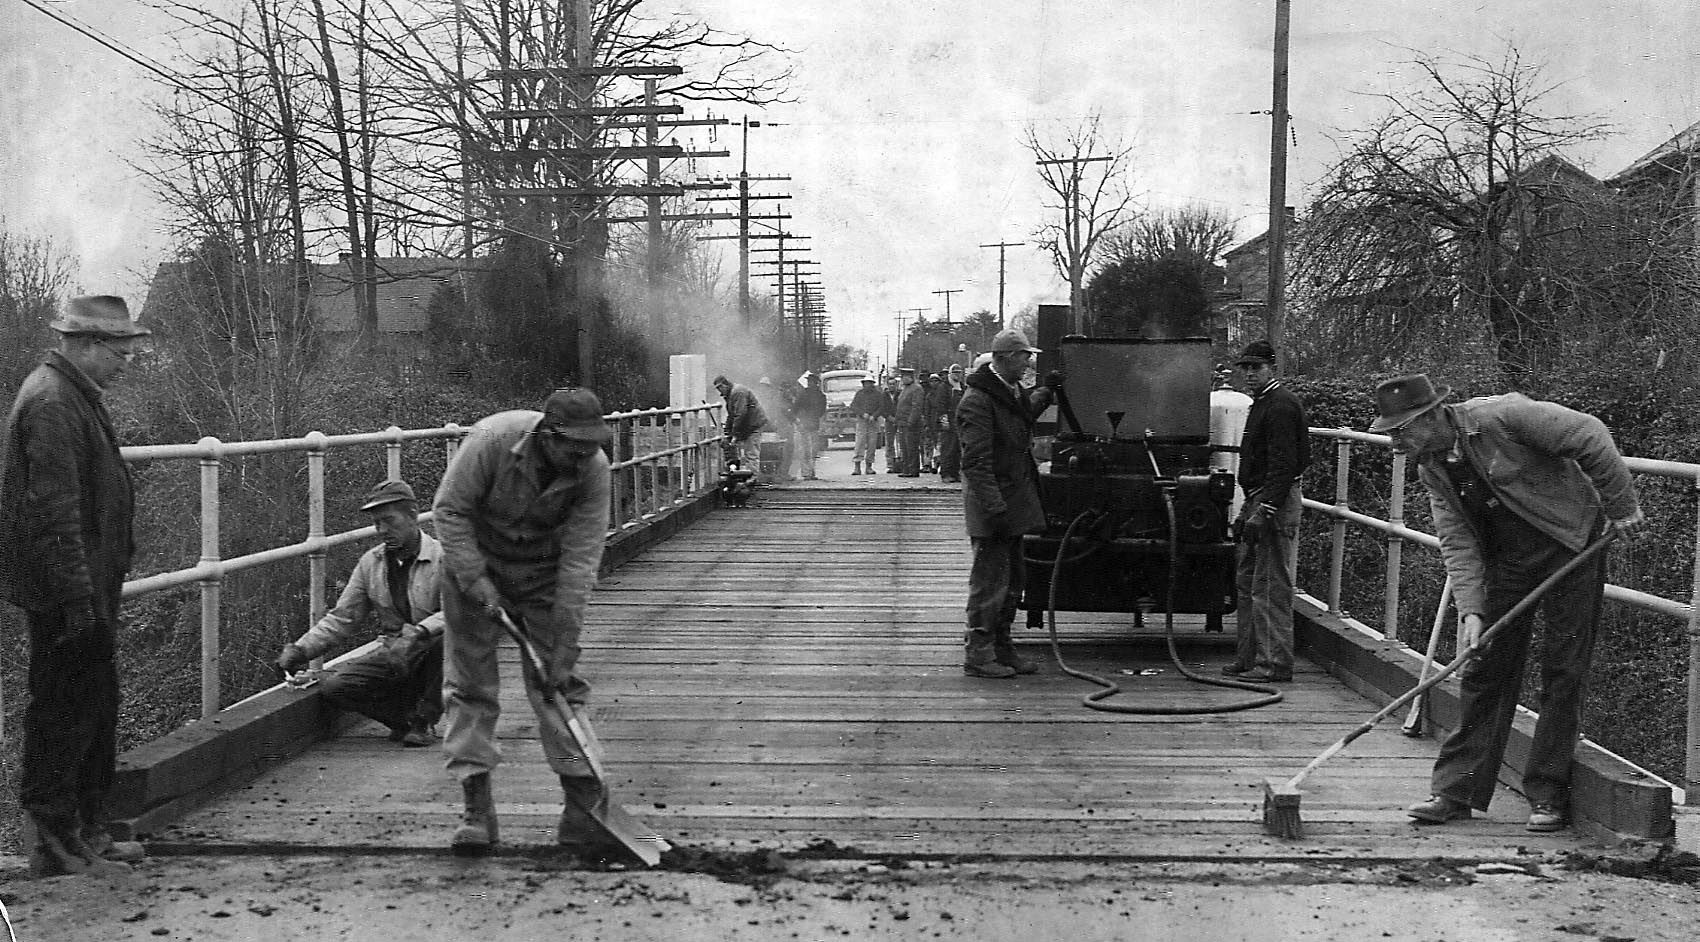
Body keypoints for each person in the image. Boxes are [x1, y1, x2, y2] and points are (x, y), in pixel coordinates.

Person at [1372, 375, 1646, 833]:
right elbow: (1457, 541)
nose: (1395, 443)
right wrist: (1472, 610)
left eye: (1401, 431)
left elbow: (1590, 433)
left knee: (1564, 668)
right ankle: (1456, 791)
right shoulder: (1432, 468)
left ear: (1431, 416)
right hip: (1509, 561)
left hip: (1572, 545)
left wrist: (1621, 507)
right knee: (1484, 666)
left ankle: (1548, 794)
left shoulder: (1502, 416)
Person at [0, 295, 151, 876]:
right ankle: (58, 844)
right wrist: (76, 600)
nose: (126, 364)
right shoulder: (53, 403)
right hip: (67, 593)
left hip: (84, 586)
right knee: (64, 711)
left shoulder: (70, 395)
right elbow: (54, 512)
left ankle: (86, 833)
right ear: (87, 345)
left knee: (93, 703)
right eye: (120, 352)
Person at [431, 387, 615, 855]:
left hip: (543, 573)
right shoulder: (491, 439)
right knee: (470, 683)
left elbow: (581, 560)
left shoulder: (594, 469)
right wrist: (475, 579)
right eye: (574, 448)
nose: (583, 458)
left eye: (591, 447)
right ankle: (477, 808)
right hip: (475, 562)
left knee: (559, 684)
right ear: (547, 436)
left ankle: (582, 808)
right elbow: (449, 509)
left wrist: (565, 643)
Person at [276, 479, 446, 748]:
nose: (382, 530)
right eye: (377, 523)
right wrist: (301, 650)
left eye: (389, 521)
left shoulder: (443, 557)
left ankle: (423, 721)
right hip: (395, 654)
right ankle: (402, 719)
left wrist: (418, 633)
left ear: (413, 515)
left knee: (448, 641)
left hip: (433, 654)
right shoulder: (371, 563)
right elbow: (343, 617)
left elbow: (458, 612)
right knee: (335, 688)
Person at [956, 329, 1057, 678]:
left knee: (1013, 580)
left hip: (1010, 505)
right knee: (989, 583)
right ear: (1005, 358)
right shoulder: (978, 401)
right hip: (994, 509)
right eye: (1024, 356)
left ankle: (1002, 648)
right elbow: (976, 463)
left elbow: (1023, 411)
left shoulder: (1006, 392)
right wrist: (995, 508)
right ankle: (979, 654)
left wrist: (1046, 392)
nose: (1028, 363)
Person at [1222, 339, 1309, 684]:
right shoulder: (1263, 403)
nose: (1249, 373)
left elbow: (1285, 464)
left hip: (1274, 499)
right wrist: (1248, 511)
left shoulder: (1281, 406)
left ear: (1272, 367)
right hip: (1258, 497)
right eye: (1245, 367)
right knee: (1247, 580)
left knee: (1269, 584)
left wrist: (1266, 509)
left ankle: (1274, 664)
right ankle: (1248, 657)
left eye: (1256, 367)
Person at [713, 375, 766, 478]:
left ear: (725, 385)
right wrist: (727, 432)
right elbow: (731, 415)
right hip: (747, 424)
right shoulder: (731, 394)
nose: (720, 391)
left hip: (753, 424)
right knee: (732, 446)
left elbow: (740, 414)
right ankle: (736, 473)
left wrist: (735, 434)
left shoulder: (738, 392)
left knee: (751, 453)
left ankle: (752, 478)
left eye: (720, 388)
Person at [793, 372, 827, 481]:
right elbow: (796, 408)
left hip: (812, 424)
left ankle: (810, 471)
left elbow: (821, 411)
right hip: (806, 424)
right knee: (807, 450)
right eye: (809, 381)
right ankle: (807, 472)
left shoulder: (818, 395)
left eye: (811, 382)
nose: (809, 383)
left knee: (812, 450)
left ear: (815, 383)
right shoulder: (806, 394)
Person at [934, 367, 964, 483]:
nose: (957, 375)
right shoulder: (944, 387)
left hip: (959, 422)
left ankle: (955, 473)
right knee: (947, 449)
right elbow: (940, 406)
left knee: (957, 449)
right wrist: (944, 421)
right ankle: (946, 473)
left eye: (959, 373)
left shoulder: (962, 387)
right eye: (955, 373)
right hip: (948, 423)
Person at [894, 368, 925, 477]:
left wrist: (911, 421)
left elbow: (916, 407)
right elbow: (900, 406)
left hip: (911, 424)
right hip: (902, 423)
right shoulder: (905, 389)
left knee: (911, 447)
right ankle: (906, 469)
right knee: (904, 447)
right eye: (902, 377)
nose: (903, 379)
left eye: (905, 377)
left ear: (911, 377)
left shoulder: (917, 389)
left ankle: (913, 470)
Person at [850, 376, 884, 475]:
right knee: (859, 443)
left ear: (872, 384)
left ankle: (869, 466)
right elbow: (853, 406)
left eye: (869, 383)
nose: (867, 385)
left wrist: (874, 416)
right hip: (862, 421)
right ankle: (857, 467)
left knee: (872, 445)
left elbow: (881, 407)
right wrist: (862, 414)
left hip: (873, 422)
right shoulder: (859, 394)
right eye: (865, 383)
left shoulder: (878, 394)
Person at [880, 375, 901, 473]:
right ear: (887, 385)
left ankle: (902, 463)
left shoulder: (901, 394)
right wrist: (888, 417)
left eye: (893, 384)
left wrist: (898, 418)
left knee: (901, 443)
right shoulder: (884, 395)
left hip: (900, 420)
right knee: (889, 443)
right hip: (889, 421)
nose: (892, 386)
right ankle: (890, 465)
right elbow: (882, 408)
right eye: (890, 384)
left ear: (896, 385)